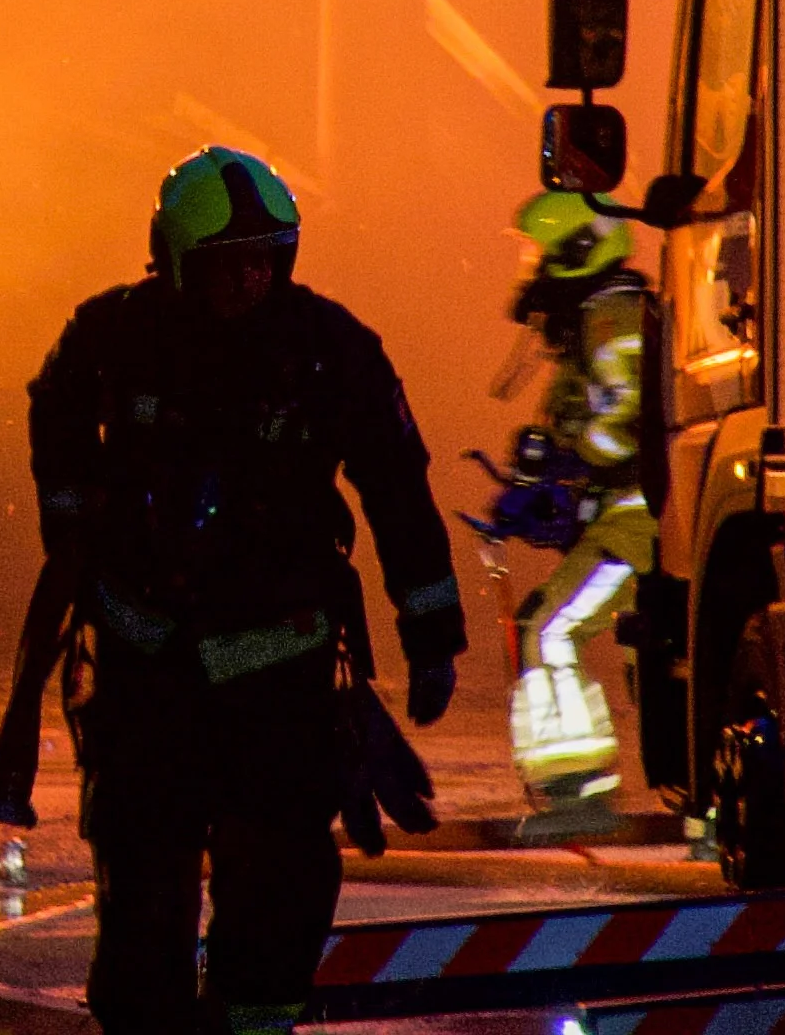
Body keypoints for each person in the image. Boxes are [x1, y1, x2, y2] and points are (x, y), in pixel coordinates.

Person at [28, 146, 466, 1035]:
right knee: (143, 920)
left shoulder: (330, 352)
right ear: (175, 261)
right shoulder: (115, 335)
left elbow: (397, 488)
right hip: (147, 683)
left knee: (277, 905)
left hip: (281, 689)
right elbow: (54, 406)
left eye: (267, 257)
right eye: (228, 264)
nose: (250, 280)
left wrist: (431, 631)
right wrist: (72, 525)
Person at [491, 190, 654, 830]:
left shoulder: (613, 318)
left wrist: (569, 462)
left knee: (550, 631)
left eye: (537, 251)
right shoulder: (599, 315)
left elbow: (626, 412)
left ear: (577, 251)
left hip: (635, 520)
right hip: (622, 516)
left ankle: (578, 793)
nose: (530, 267)